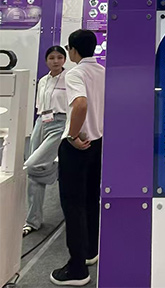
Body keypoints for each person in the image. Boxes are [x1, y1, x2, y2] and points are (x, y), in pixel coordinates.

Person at [51, 30, 105, 287]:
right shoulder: (103, 72)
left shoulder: (75, 73)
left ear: (73, 50)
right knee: (91, 199)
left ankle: (77, 269)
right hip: (98, 143)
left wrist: (72, 136)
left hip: (78, 146)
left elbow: (81, 104)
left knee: (72, 205)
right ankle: (90, 251)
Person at [23, 46, 68, 236]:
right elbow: (40, 106)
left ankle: (56, 172)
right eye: (51, 58)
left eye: (59, 57)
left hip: (60, 123)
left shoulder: (70, 78)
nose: (55, 61)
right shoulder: (43, 80)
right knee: (33, 175)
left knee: (32, 165)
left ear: (64, 59)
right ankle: (32, 221)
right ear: (46, 60)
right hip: (41, 122)